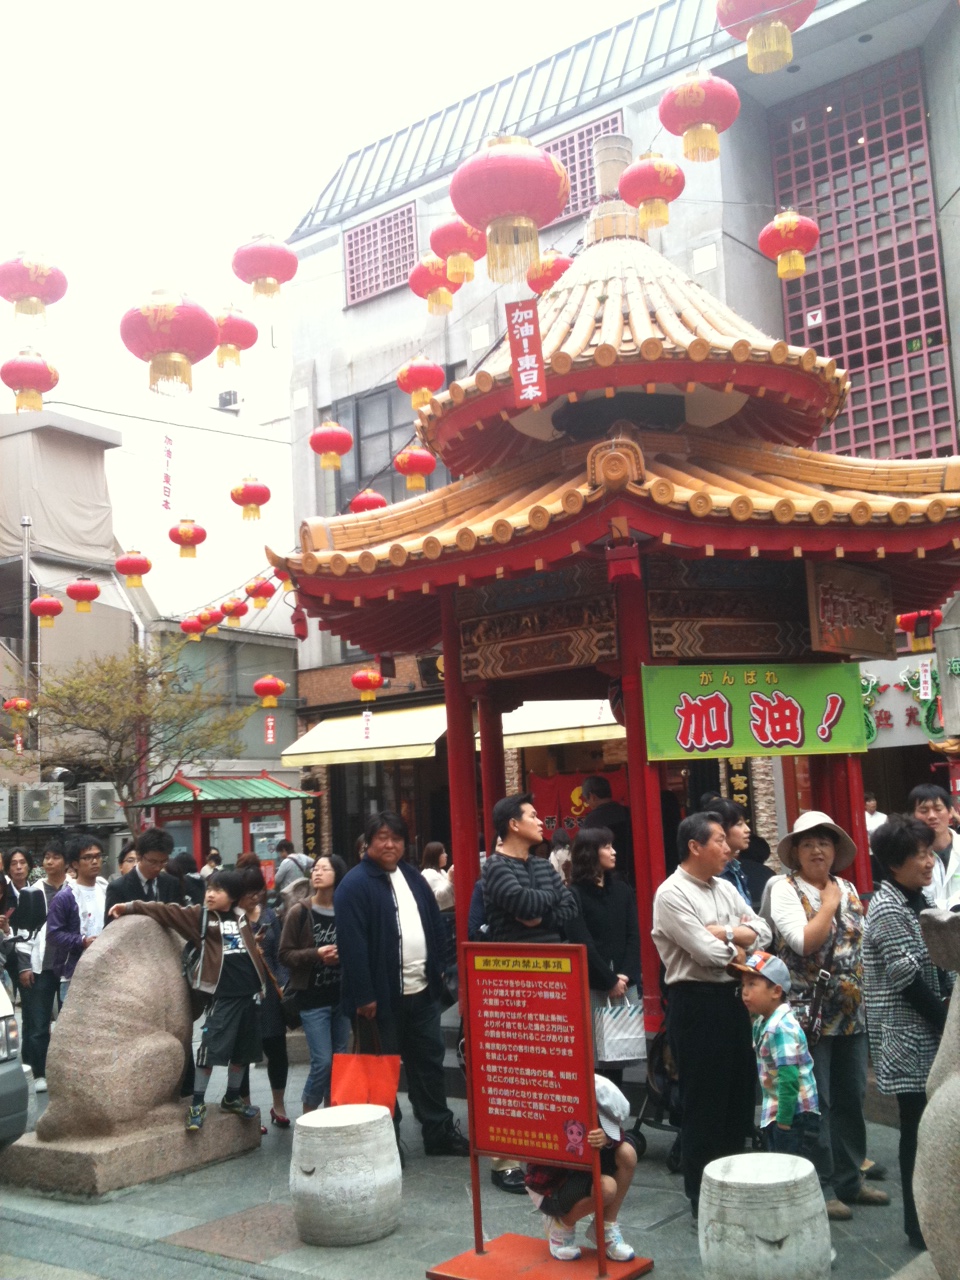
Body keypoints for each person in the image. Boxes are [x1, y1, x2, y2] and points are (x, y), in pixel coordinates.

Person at [766, 810, 889, 1222]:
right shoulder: (785, 889)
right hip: (809, 1016)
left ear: (836, 850)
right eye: (807, 844)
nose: (817, 850)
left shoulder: (848, 887)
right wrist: (829, 904)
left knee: (852, 1097)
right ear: (796, 853)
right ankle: (819, 1185)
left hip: (852, 1013)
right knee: (815, 1100)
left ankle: (850, 1179)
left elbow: (861, 944)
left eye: (824, 842)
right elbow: (803, 942)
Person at [651, 811, 770, 1222]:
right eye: (719, 839)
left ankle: (734, 1188)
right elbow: (707, 954)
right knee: (705, 1103)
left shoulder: (725, 887)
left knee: (738, 1098)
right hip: (696, 1003)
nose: (727, 847)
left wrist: (727, 933)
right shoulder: (671, 893)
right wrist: (738, 944)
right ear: (694, 846)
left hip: (735, 1000)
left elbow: (764, 931)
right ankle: (703, 1198)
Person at [335, 810, 469, 1157]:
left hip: (422, 993)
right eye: (382, 838)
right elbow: (352, 946)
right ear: (368, 843)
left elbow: (435, 924)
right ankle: (386, 1143)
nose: (390, 845)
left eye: (396, 838)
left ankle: (438, 1133)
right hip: (378, 1000)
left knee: (429, 1065)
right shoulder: (354, 884)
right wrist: (364, 995)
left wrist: (439, 969)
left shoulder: (412, 876)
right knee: (380, 1072)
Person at [108, 869, 267, 1130]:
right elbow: (166, 911)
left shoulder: (240, 917)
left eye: (218, 890)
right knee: (210, 1051)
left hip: (249, 995)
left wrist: (261, 985)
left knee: (243, 1053)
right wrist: (129, 906)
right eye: (209, 889)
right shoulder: (200, 916)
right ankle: (198, 1103)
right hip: (222, 996)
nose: (210, 894)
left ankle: (232, 1098)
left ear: (233, 897)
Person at [865, 815, 952, 1251]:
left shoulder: (920, 899)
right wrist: (948, 1023)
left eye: (929, 852)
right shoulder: (886, 907)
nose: (929, 861)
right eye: (919, 854)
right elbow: (907, 978)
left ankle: (938, 1216)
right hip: (906, 1035)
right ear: (895, 863)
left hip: (930, 1031)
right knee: (916, 1128)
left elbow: (940, 963)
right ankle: (919, 1226)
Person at [525, 1075, 638, 1262]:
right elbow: (542, 1175)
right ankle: (560, 1225)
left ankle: (605, 1227)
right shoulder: (560, 1111)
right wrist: (578, 1142)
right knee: (606, 1187)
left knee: (627, 1153)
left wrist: (607, 1139)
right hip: (551, 1188)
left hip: (579, 1178)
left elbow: (619, 1137)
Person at [566, 827, 641, 1088]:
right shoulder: (574, 894)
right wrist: (609, 980)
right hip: (594, 985)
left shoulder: (622, 889)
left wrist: (625, 975)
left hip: (624, 983)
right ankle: (598, 1114)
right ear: (590, 853)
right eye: (607, 847)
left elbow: (634, 936)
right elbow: (582, 942)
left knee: (618, 1056)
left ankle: (616, 1114)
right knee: (595, 1059)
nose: (613, 852)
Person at [280, 854, 350, 1113]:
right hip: (312, 999)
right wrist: (316, 954)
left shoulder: (346, 910)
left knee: (340, 1060)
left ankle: (333, 1115)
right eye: (315, 869)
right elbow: (284, 954)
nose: (317, 873)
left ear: (337, 874)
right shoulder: (299, 912)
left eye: (324, 869)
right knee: (322, 1062)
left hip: (341, 997)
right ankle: (308, 1117)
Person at [734, 950, 820, 1160]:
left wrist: (783, 1122)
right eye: (743, 985)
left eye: (752, 984)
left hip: (793, 1116)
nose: (744, 992)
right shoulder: (763, 1023)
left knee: (789, 1170)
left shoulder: (781, 1028)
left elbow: (789, 1078)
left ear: (776, 991)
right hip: (781, 1112)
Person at [236, 858, 290, 1131]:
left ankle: (278, 1105)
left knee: (277, 1051)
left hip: (269, 994)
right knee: (243, 1054)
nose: (254, 897)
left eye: (258, 890)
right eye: (248, 892)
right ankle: (248, 1109)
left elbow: (280, 954)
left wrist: (283, 984)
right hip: (242, 994)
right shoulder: (230, 919)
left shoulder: (269, 916)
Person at [481, 793, 578, 943]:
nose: (540, 822)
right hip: (514, 956)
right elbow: (523, 904)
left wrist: (543, 920)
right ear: (514, 824)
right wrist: (556, 895)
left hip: (553, 955)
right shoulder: (495, 865)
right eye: (533, 816)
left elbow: (571, 908)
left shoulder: (544, 865)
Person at [16, 839, 69, 1091]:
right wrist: (24, 966)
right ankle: (40, 1073)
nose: (49, 862)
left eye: (55, 857)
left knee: (70, 1023)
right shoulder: (33, 892)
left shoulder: (74, 889)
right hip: (42, 967)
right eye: (46, 857)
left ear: (66, 862)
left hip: (70, 967)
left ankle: (68, 1070)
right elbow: (23, 932)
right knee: (39, 1024)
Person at [46, 835, 108, 1001]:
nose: (94, 861)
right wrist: (82, 941)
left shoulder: (106, 889)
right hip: (74, 973)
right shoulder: (65, 897)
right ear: (74, 864)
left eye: (98, 856)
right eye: (87, 857)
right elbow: (53, 935)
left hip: (106, 970)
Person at [103, 827, 180, 924]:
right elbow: (111, 927)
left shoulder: (172, 883)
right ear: (139, 856)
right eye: (153, 862)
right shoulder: (118, 888)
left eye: (163, 862)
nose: (157, 867)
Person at [908, 784, 960, 908]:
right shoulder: (907, 856)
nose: (932, 816)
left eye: (938, 809)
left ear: (950, 812)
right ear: (912, 816)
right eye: (924, 811)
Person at [579, 777, 633, 886]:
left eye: (587, 800)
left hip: (605, 880)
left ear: (592, 797)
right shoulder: (627, 813)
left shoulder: (591, 821)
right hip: (633, 875)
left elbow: (585, 856)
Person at [710, 797, 753, 906]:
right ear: (720, 829)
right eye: (739, 824)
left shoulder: (735, 867)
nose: (747, 829)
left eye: (745, 823)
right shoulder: (712, 873)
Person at [2, 848, 32, 999]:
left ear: (29, 866)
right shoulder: (3, 895)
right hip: (7, 960)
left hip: (32, 959)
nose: (19, 867)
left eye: (22, 862)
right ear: (8, 869)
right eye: (14, 864)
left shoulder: (38, 892)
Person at [420, 842, 454, 911]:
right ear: (435, 856)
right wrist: (450, 879)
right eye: (443, 853)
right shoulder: (428, 873)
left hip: (451, 909)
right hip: (442, 912)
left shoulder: (442, 872)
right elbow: (439, 896)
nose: (446, 855)